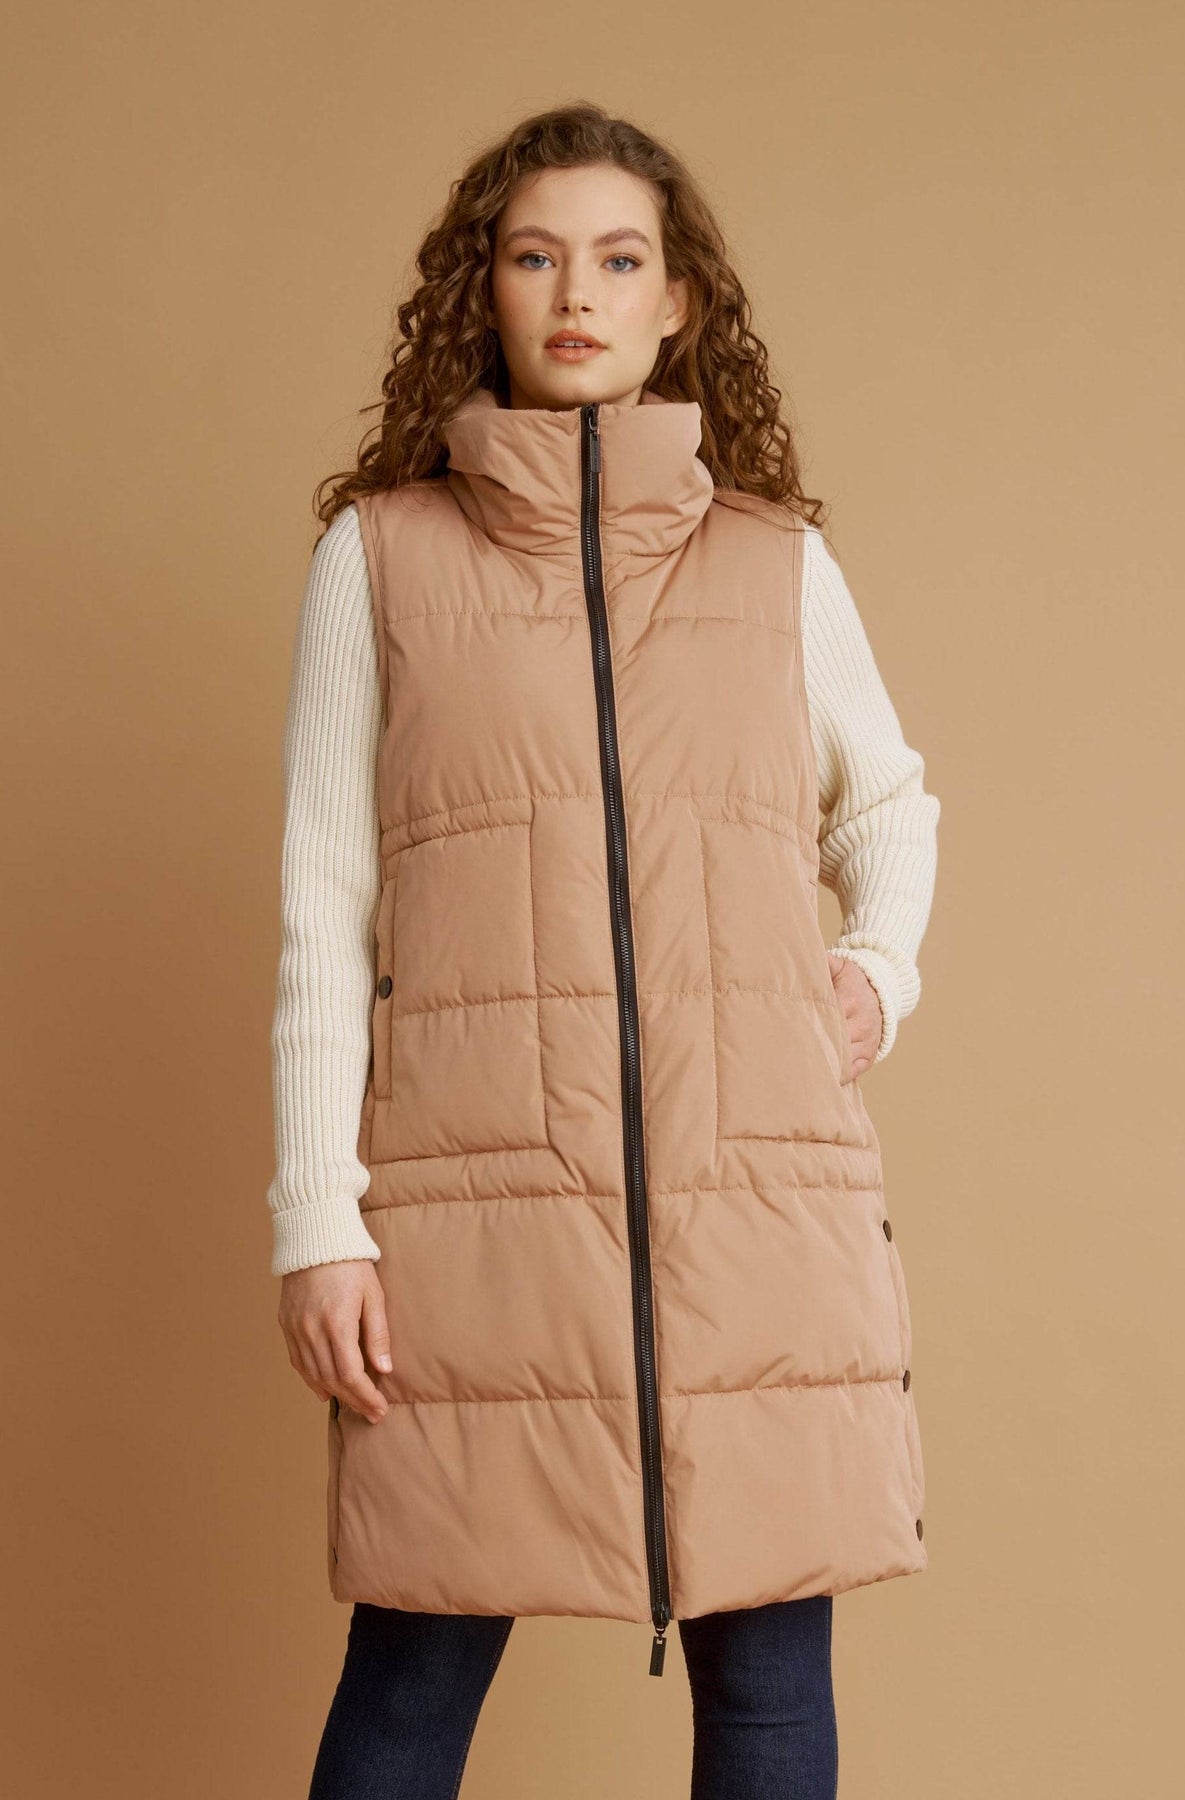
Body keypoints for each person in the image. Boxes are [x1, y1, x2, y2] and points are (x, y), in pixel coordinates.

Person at [265, 102, 940, 1800]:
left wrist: (875, 970)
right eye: (535, 255)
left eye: (620, 259)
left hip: (755, 1201)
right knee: (412, 1676)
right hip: (474, 1212)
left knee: (769, 1682)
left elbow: (887, 805)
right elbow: (322, 907)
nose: (577, 292)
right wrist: (316, 1220)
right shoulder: (381, 560)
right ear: (481, 290)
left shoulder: (774, 566)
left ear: (676, 301)